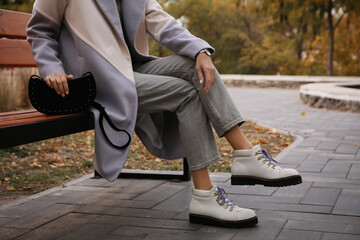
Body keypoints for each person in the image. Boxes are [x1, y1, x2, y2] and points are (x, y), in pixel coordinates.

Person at [26, 0, 302, 228]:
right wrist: (52, 70)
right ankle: (206, 194)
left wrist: (200, 51)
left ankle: (244, 155)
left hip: (132, 71)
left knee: (197, 65)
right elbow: (40, 30)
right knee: (186, 93)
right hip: (98, 80)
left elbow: (164, 24)